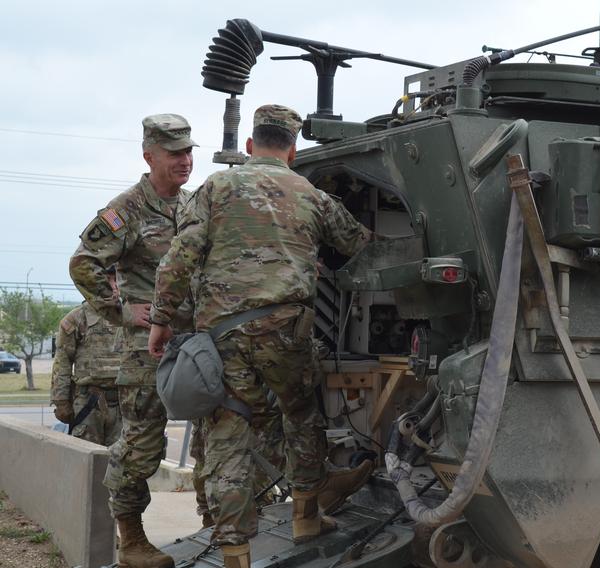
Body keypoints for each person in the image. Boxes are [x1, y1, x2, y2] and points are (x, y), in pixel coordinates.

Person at [148, 104, 374, 567]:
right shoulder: (311, 194)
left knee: (229, 429)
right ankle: (306, 517)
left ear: (250, 146)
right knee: (300, 414)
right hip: (288, 330)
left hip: (224, 337)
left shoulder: (216, 186)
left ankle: (234, 550)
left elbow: (179, 256)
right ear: (292, 150)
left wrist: (161, 319)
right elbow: (357, 244)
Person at [70, 113, 197, 568]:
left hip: (196, 343)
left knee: (215, 434)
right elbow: (83, 263)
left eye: (188, 152)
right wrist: (122, 311)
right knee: (142, 443)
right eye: (175, 153)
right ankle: (132, 540)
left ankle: (217, 521)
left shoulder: (192, 204)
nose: (184, 161)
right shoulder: (127, 209)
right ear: (149, 156)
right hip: (148, 349)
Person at [51, 268, 122, 446]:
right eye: (108, 280)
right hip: (89, 403)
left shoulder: (130, 317)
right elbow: (62, 362)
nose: (114, 287)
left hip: (124, 403)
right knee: (87, 462)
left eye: (118, 280)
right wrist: (61, 402)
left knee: (122, 465)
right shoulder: (76, 319)